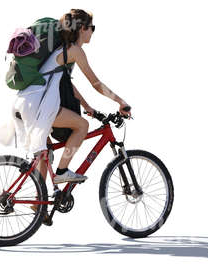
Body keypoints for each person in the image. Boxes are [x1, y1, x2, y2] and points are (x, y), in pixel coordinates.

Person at [11, 9, 132, 185]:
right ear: (82, 28)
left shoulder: (64, 51)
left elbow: (67, 84)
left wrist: (88, 107)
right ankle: (62, 171)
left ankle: (39, 207)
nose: (93, 32)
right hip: (38, 105)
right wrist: (121, 102)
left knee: (45, 155)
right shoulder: (74, 50)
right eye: (92, 27)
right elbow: (96, 83)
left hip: (25, 103)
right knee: (82, 126)